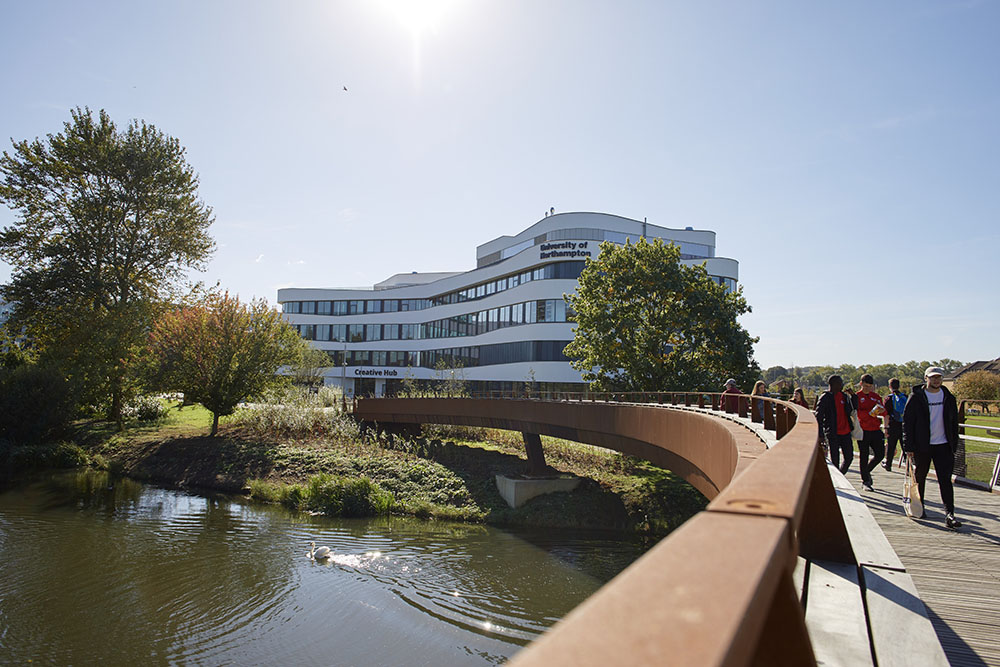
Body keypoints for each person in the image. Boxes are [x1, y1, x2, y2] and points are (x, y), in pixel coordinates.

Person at [903, 366, 962, 528]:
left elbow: (953, 422)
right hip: (923, 446)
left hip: (943, 445)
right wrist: (908, 446)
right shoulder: (916, 397)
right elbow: (908, 423)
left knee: (945, 481)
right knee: (920, 477)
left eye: (939, 377)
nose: (936, 380)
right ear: (926, 378)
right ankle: (920, 508)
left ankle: (950, 514)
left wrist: (953, 444)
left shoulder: (948, 397)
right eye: (933, 377)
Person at [814, 375, 855, 474]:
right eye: (840, 383)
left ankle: (840, 475)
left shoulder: (844, 397)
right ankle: (835, 482)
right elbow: (818, 416)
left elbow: (852, 410)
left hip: (845, 431)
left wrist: (853, 396)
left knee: (849, 457)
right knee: (835, 459)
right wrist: (820, 434)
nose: (842, 385)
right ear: (833, 384)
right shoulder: (825, 397)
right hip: (833, 432)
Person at [853, 373, 886, 491]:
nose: (868, 388)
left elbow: (883, 411)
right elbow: (857, 412)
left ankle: (867, 471)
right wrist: (868, 413)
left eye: (870, 386)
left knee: (880, 454)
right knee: (864, 455)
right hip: (863, 430)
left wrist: (881, 410)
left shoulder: (876, 396)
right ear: (861, 384)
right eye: (865, 386)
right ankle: (865, 481)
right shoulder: (856, 397)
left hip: (876, 429)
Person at [882, 378, 907, 471]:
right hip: (904, 425)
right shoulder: (905, 396)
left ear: (889, 386)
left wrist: (885, 427)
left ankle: (888, 464)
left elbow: (886, 415)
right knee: (904, 446)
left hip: (893, 425)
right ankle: (908, 466)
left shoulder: (889, 398)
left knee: (891, 445)